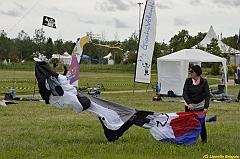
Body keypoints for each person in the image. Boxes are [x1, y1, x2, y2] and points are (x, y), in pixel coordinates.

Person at [182, 65, 210, 143]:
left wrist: (206, 107)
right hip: (189, 106)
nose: (190, 73)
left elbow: (207, 95)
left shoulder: (204, 82)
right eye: (189, 71)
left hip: (200, 105)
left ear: (197, 72)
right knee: (188, 124)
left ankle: (204, 141)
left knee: (201, 124)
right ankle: (187, 140)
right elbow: (185, 93)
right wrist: (189, 103)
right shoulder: (188, 81)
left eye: (191, 71)